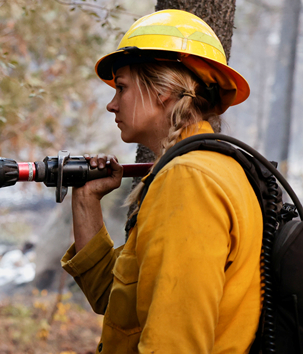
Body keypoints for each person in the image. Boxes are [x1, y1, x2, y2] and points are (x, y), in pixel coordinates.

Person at [60, 9, 262, 354]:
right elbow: (116, 299)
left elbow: (174, 343)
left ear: (163, 91)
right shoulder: (201, 170)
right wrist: (86, 200)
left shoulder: (189, 181)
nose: (111, 104)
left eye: (121, 87)